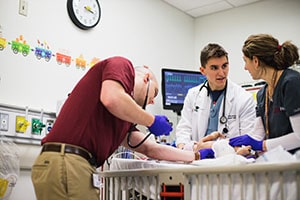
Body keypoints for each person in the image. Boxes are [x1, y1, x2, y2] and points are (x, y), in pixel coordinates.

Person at [31, 56, 198, 200]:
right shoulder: (122, 65)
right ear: (146, 77)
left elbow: (150, 148)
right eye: (153, 94)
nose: (152, 102)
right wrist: (151, 120)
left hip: (69, 164)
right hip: (68, 162)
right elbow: (111, 98)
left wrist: (195, 155)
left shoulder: (122, 117)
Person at [176, 43, 256, 154]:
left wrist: (213, 146)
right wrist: (184, 148)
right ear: (203, 71)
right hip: (197, 161)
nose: (221, 73)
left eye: (224, 66)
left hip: (230, 163)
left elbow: (247, 142)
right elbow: (183, 130)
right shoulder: (193, 95)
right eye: (214, 68)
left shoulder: (244, 98)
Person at [229, 34, 300, 154]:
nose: (245, 67)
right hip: (280, 161)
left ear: (256, 61)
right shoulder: (262, 94)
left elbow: (299, 137)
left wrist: (262, 145)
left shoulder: (291, 82)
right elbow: (258, 134)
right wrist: (237, 146)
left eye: (245, 61)